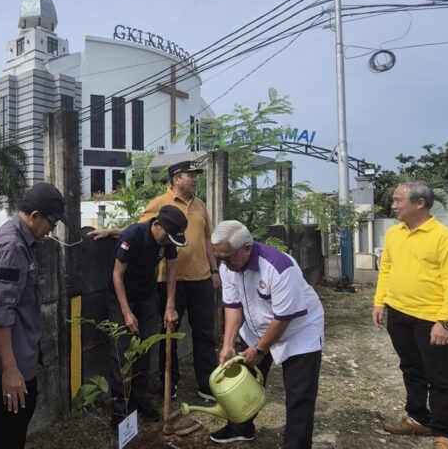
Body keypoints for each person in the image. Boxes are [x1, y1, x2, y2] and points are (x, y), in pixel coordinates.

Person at [91, 160, 219, 401]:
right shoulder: (159, 204)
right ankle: (167, 384)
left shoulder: (199, 206)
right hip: (162, 283)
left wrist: (214, 270)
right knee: (165, 334)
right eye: (190, 175)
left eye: (195, 175)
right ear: (176, 178)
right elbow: (139, 230)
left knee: (203, 333)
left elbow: (206, 239)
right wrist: (111, 232)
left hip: (198, 277)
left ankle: (206, 384)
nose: (194, 179)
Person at [209, 220, 324, 448]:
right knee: (245, 381)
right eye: (218, 257)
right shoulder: (228, 266)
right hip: (256, 329)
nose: (223, 263)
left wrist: (260, 350)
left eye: (227, 257)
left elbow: (282, 319)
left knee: (299, 394)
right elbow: (232, 306)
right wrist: (227, 344)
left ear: (247, 248)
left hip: (298, 331)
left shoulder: (279, 267)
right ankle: (241, 428)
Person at [372, 181, 448, 449]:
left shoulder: (445, 238)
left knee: (439, 376)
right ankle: (417, 418)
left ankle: (443, 434)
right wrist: (379, 303)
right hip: (398, 314)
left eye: (398, 200)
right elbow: (386, 269)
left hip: (431, 319)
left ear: (420, 203)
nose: (393, 205)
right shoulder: (394, 234)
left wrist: (445, 321)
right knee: (411, 368)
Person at [0, 182, 66, 449]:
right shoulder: (13, 247)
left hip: (17, 357)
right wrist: (10, 370)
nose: (51, 230)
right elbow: (0, 313)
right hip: (6, 366)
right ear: (34, 216)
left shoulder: (21, 241)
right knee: (6, 437)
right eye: (52, 223)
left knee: (11, 435)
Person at [108, 205, 188, 429]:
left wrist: (170, 305)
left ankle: (139, 398)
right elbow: (117, 274)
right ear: (156, 225)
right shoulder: (133, 235)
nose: (168, 242)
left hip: (147, 296)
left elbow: (172, 270)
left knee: (145, 347)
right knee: (121, 350)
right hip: (121, 296)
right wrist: (126, 312)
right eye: (167, 237)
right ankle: (119, 406)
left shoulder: (168, 239)